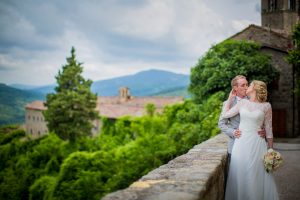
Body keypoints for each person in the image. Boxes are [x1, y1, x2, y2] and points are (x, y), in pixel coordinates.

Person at [223, 80, 279, 200]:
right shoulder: (242, 103)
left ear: (255, 88)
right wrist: (229, 99)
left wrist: (270, 150)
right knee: (240, 173)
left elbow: (269, 129)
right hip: (241, 143)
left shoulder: (266, 106)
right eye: (245, 85)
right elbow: (226, 115)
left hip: (258, 144)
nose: (247, 87)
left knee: (256, 174)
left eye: (249, 85)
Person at [218, 75, 265, 186]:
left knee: (254, 179)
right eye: (243, 85)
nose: (246, 87)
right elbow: (221, 124)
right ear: (235, 88)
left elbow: (260, 120)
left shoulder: (255, 101)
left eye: (247, 84)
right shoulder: (227, 103)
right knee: (237, 182)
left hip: (254, 146)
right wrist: (233, 132)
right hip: (235, 146)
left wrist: (263, 130)